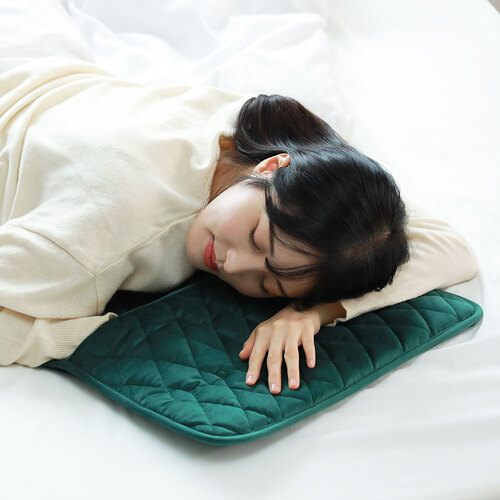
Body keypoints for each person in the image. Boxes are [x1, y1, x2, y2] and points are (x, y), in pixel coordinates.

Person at [0, 3, 479, 396]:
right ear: (271, 168)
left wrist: (313, 312)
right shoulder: (102, 236)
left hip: (50, 67)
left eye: (267, 284)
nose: (232, 264)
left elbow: (447, 247)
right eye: (255, 237)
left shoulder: (273, 137)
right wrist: (81, 334)